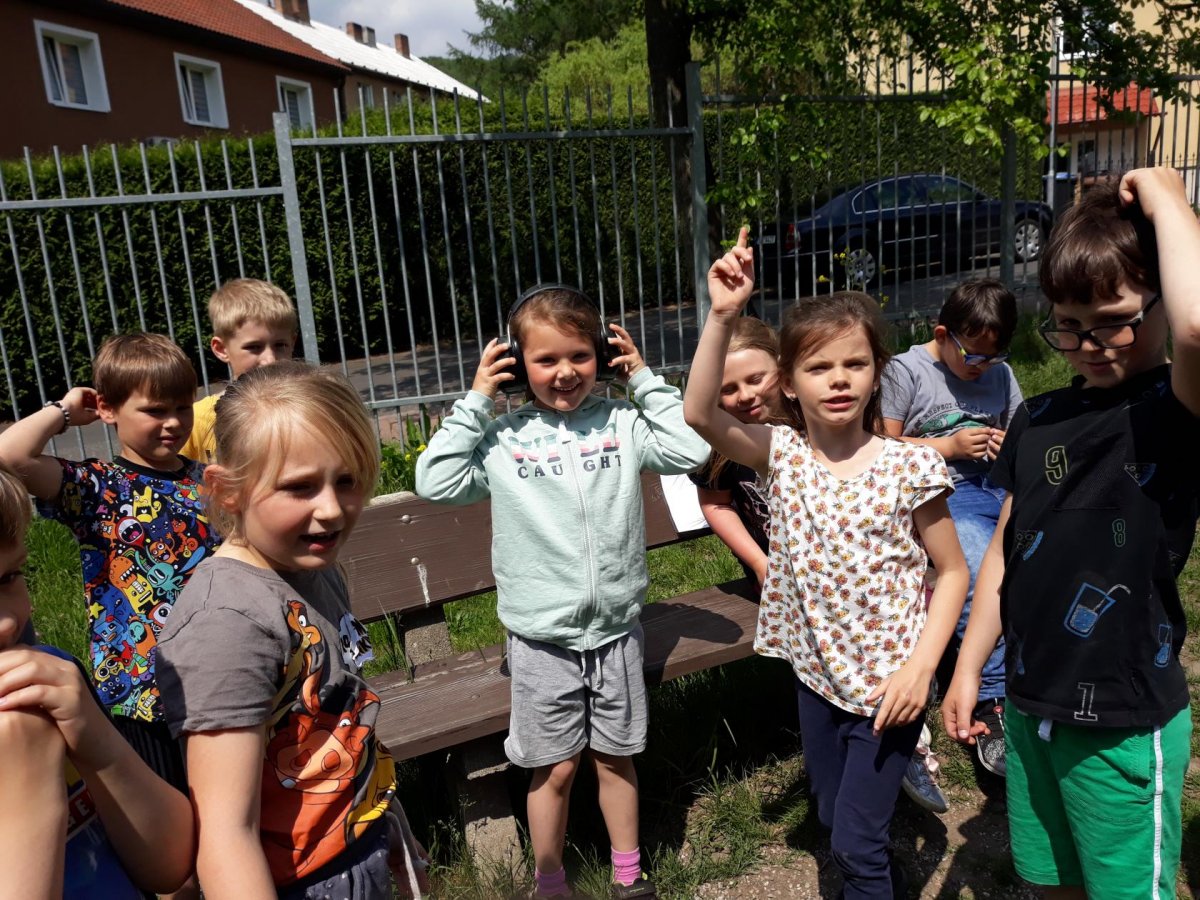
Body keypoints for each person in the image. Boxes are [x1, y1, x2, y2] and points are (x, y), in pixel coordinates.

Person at [686, 230, 969, 899]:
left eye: (855, 364)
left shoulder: (910, 466)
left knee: (855, 844)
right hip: (815, 677)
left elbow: (954, 572)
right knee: (829, 817)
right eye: (818, 367)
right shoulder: (779, 454)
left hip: (889, 690)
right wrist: (722, 315)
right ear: (789, 382)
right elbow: (698, 412)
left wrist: (922, 669)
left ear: (877, 372)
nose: (839, 379)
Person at [943, 168, 1200, 899]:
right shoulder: (1040, 417)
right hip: (1030, 705)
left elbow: (1196, 328)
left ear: (1160, 297)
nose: (1089, 344)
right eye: (1067, 323)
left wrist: (1168, 199)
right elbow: (1006, 550)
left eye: (1114, 319)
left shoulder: (1175, 410)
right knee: (1047, 880)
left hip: (1122, 719)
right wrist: (971, 667)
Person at [415, 285, 710, 899]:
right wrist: (477, 400)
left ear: (602, 354)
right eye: (545, 359)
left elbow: (692, 447)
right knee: (555, 767)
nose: (565, 372)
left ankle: (628, 874)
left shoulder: (623, 423)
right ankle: (550, 883)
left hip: (615, 633)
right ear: (516, 365)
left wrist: (644, 379)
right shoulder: (503, 440)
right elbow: (434, 480)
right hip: (541, 640)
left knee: (615, 758)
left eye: (579, 355)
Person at [156, 361, 427, 900]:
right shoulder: (227, 624)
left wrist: (390, 824)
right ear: (226, 490)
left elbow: (339, 715)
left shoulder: (311, 569)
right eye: (299, 487)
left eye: (346, 480)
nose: (331, 510)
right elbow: (225, 834)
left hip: (356, 846)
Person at [0, 332, 217, 796]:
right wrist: (62, 412)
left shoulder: (207, 482)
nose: (173, 422)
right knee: (167, 811)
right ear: (107, 408)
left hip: (218, 678)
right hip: (140, 694)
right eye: (155, 410)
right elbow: (9, 456)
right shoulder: (97, 488)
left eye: (183, 408)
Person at [0, 462, 196, 899]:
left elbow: (171, 865)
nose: (7, 623)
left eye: (8, 578)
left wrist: (95, 740)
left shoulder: (52, 677)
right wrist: (29, 789)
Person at [883, 278, 1023, 794]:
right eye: (972, 355)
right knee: (977, 562)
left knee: (1044, 555)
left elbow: (1022, 434)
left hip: (997, 486)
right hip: (942, 494)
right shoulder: (906, 370)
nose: (982, 366)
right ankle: (990, 699)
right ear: (942, 334)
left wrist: (1009, 446)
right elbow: (882, 447)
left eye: (993, 356)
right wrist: (948, 447)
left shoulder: (1001, 374)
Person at [688, 316, 779, 586]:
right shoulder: (720, 440)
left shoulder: (814, 422)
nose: (746, 395)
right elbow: (715, 503)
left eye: (756, 379)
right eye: (728, 389)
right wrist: (759, 564)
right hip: (772, 574)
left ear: (782, 368)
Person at [181, 278, 298, 464]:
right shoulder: (197, 420)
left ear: (293, 342)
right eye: (254, 347)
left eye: (280, 345)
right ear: (221, 349)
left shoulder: (308, 408)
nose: (270, 359)